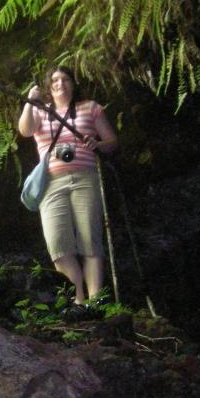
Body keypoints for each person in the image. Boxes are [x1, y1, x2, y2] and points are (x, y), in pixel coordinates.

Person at [17, 65, 118, 309]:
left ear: (73, 83)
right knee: (58, 247)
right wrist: (31, 101)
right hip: (51, 182)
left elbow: (112, 142)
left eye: (65, 79)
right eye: (54, 80)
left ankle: (95, 305)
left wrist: (98, 144)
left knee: (90, 241)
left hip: (85, 178)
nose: (60, 83)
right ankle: (78, 298)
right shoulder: (41, 112)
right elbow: (25, 130)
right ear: (48, 87)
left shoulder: (90, 108)